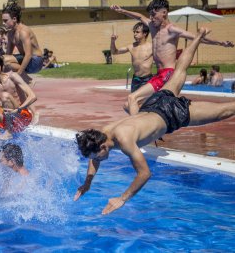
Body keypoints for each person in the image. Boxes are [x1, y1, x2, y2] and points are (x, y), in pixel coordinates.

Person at [74, 28, 235, 215]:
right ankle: (198, 36)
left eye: (96, 157)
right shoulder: (103, 132)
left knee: (225, 111)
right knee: (179, 71)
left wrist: (122, 198)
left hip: (170, 114)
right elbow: (94, 159)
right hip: (154, 103)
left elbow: (144, 174)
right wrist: (87, 183)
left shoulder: (124, 140)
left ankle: (199, 37)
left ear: (102, 148)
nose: (96, 161)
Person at [111, 0, 234, 115]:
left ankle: (137, 129)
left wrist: (221, 43)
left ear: (164, 13)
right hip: (158, 74)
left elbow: (198, 38)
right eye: (150, 15)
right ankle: (150, 131)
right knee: (132, 105)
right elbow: (139, 16)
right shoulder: (153, 26)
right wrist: (122, 11)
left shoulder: (172, 29)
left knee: (132, 98)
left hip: (167, 74)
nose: (151, 18)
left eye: (154, 14)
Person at [0, 53, 37, 135]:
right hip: (6, 118)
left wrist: (18, 110)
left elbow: (33, 96)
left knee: (5, 96)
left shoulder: (13, 77)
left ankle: (8, 133)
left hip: (21, 116)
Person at [2, 1, 43, 84]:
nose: (3, 23)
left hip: (35, 61)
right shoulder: (10, 33)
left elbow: (28, 55)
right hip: (25, 59)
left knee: (5, 61)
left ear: (14, 19)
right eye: (2, 20)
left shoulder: (23, 32)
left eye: (5, 20)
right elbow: (8, 54)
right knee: (3, 60)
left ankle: (29, 80)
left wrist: (18, 74)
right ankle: (27, 81)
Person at [111, 23, 153, 95]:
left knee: (146, 102)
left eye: (137, 32)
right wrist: (112, 41)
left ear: (145, 33)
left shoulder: (151, 47)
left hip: (147, 79)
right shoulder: (131, 46)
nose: (135, 34)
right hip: (136, 79)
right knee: (134, 101)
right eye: (134, 32)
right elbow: (114, 52)